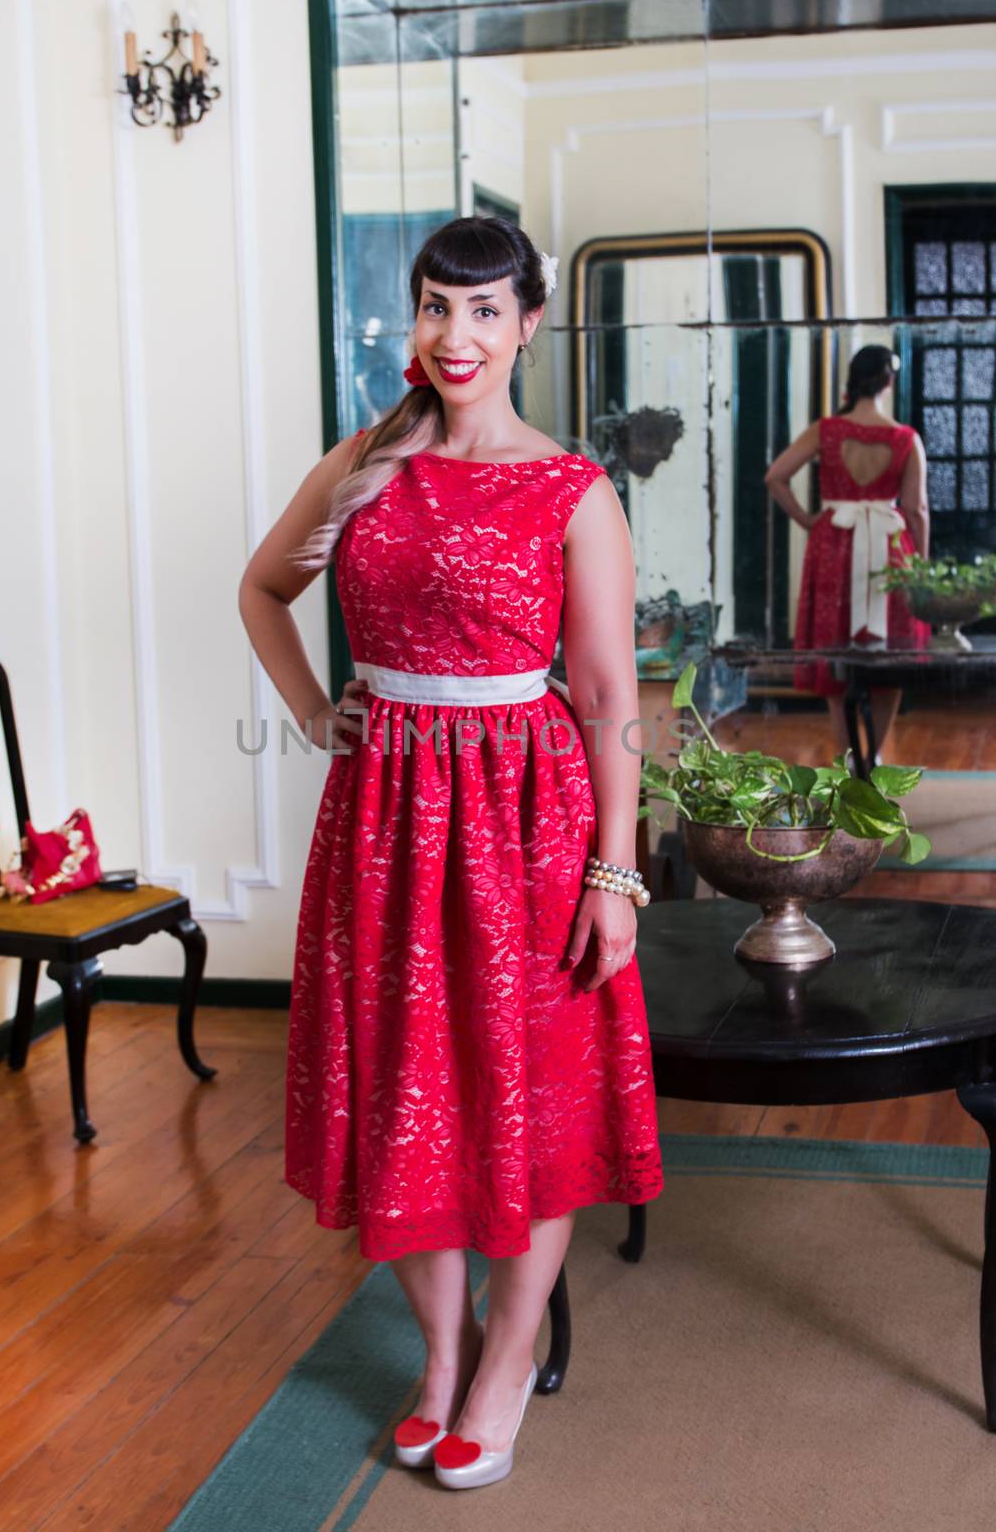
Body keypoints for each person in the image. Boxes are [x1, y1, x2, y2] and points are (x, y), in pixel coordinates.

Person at [238, 215, 663, 1489]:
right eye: (433, 307)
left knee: (524, 1094)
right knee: (399, 1091)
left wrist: (614, 870)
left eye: (482, 311)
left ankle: (506, 1354)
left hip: (528, 821)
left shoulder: (571, 487)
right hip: (382, 822)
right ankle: (439, 1354)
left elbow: (604, 693)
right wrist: (320, 714)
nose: (453, 335)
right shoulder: (362, 461)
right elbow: (263, 586)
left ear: (528, 324)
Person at [764, 344, 930, 762]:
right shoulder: (905, 439)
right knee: (891, 653)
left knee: (834, 647)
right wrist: (922, 567)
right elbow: (916, 510)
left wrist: (809, 522)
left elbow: (776, 477)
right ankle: (876, 752)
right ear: (889, 382)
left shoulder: (826, 431)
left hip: (834, 545)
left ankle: (847, 752)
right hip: (890, 549)